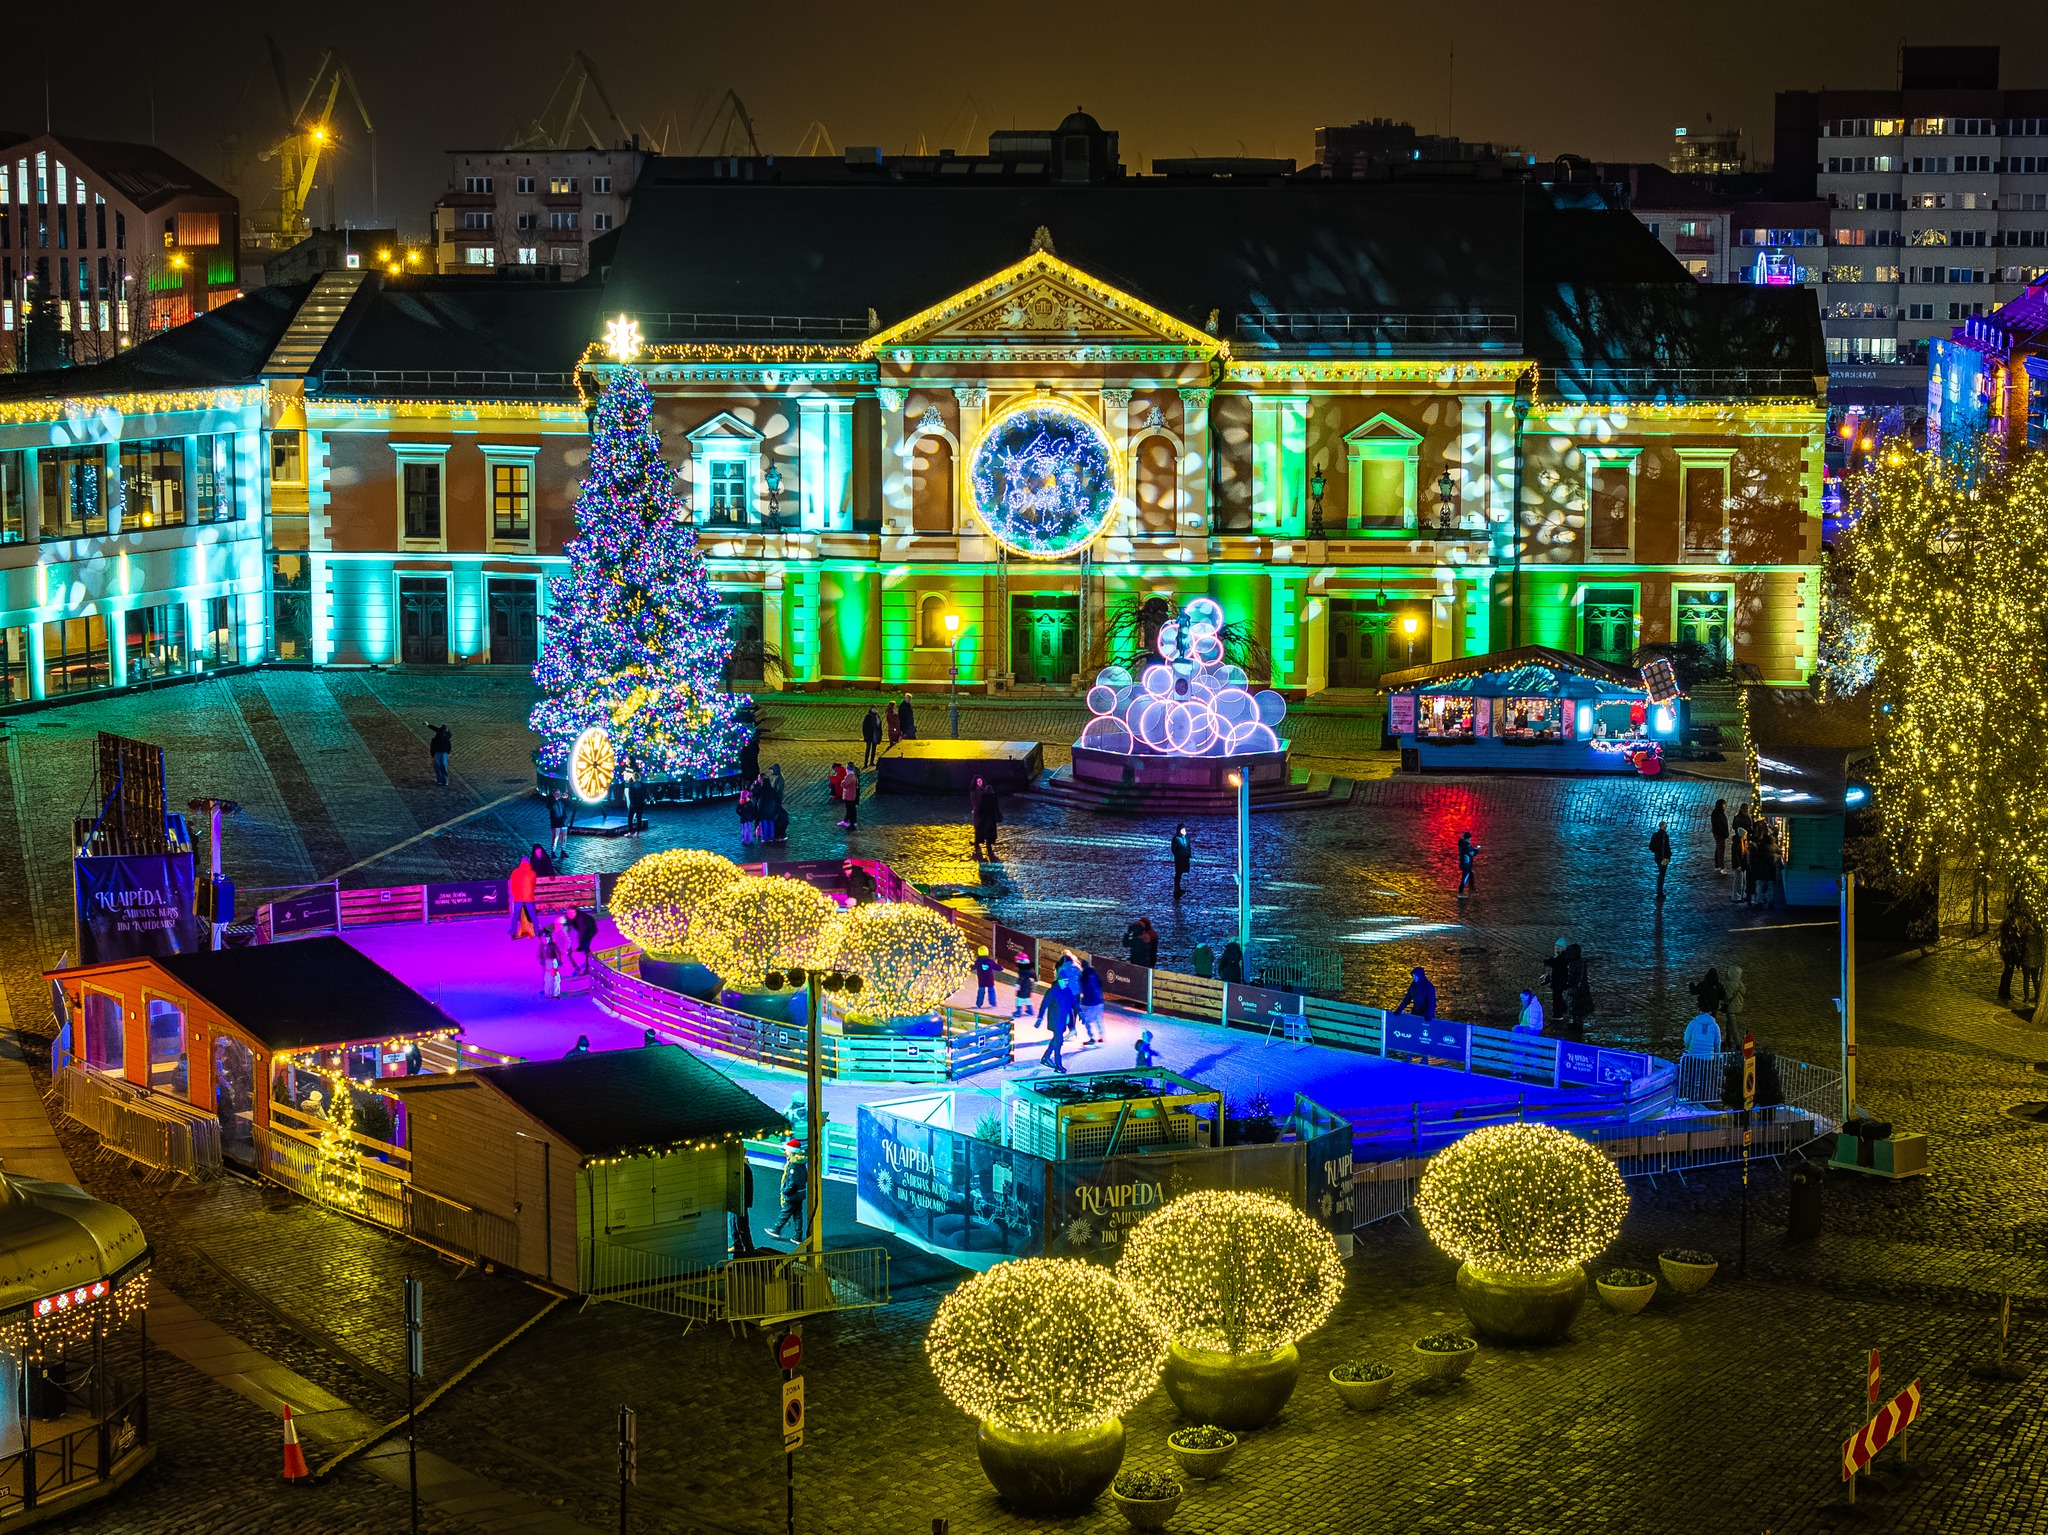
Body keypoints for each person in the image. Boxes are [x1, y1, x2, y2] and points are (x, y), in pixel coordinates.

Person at [769, 1139, 808, 1241]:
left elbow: (792, 1182)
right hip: (800, 1194)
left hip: (793, 1195)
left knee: (785, 1212)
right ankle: (798, 1236)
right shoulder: (801, 1163)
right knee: (798, 1215)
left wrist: (785, 1190)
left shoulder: (793, 1165)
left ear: (791, 1152)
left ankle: (776, 1229)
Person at [1036, 974, 1076, 1072]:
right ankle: (1058, 1065)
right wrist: (1040, 1018)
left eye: (1067, 981)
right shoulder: (1052, 992)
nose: (1066, 983)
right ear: (1059, 981)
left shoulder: (1066, 991)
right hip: (1055, 1020)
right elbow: (1044, 1005)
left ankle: (1046, 1057)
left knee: (1057, 1039)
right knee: (1059, 1042)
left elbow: (1072, 1003)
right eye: (1064, 981)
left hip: (1062, 1020)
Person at [729, 1156, 757, 1258]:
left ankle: (749, 1250)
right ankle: (737, 1245)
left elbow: (744, 1188)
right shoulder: (740, 1167)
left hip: (740, 1202)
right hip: (736, 1201)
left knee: (742, 1226)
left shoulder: (743, 1169)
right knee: (733, 1223)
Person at [507, 854, 539, 938]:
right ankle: (537, 931)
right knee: (532, 914)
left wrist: (515, 895)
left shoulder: (515, 872)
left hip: (519, 897)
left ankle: (513, 930)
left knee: (516, 915)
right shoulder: (533, 873)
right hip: (529, 897)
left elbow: (513, 885)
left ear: (521, 862)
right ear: (528, 862)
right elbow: (533, 885)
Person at [1543, 939, 1574, 1023]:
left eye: (1559, 947)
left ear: (1563, 948)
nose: (1557, 948)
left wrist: (1548, 961)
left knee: (1557, 998)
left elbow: (1555, 963)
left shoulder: (1562, 956)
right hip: (1559, 981)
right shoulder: (1563, 955)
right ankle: (1563, 1009)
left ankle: (1558, 1015)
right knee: (1558, 997)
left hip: (1559, 981)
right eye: (1556, 947)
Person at [2000, 907, 2026, 1002]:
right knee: (2008, 973)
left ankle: (2003, 991)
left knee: (2007, 972)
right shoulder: (2010, 926)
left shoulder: (2007, 925)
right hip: (2009, 952)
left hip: (2006, 951)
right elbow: (2013, 940)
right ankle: (2005, 992)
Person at [1077, 960, 1106, 1046]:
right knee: (1098, 1018)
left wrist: (1083, 1002)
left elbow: (1086, 990)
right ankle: (1101, 1036)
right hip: (1099, 1000)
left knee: (1087, 1020)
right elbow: (1099, 985)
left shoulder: (1084, 977)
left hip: (1090, 1002)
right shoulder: (1095, 974)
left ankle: (1091, 1037)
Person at [1746, 824, 1774, 909]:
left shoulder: (1759, 847)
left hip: (1761, 871)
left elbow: (1754, 859)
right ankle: (1770, 903)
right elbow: (1779, 852)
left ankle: (1758, 903)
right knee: (1770, 887)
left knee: (1759, 887)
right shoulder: (1773, 846)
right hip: (1770, 870)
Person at [973, 784, 1003, 860]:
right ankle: (989, 849)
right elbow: (996, 808)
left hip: (984, 818)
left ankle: (979, 844)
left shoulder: (983, 799)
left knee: (983, 832)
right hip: (991, 819)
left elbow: (980, 809)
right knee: (990, 834)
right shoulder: (994, 798)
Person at [539, 919, 564, 999]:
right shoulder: (541, 946)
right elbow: (539, 954)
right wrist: (541, 960)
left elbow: (557, 953)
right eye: (543, 938)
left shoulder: (552, 945)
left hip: (552, 963)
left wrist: (559, 960)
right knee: (547, 979)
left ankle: (555, 992)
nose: (545, 940)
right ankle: (548, 992)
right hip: (546, 964)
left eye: (546, 938)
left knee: (554, 979)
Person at [2025, 914, 2045, 1008]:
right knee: (2035, 979)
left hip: (2028, 960)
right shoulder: (2039, 937)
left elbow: (2023, 948)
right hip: (2036, 961)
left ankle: (2027, 998)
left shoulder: (2026, 937)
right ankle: (2037, 995)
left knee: (2026, 980)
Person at [1649, 821, 1673, 902]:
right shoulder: (1665, 836)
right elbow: (1667, 848)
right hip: (1665, 858)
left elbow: (1651, 847)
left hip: (1657, 858)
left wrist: (1656, 852)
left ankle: (1659, 890)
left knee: (1661, 872)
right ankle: (1660, 891)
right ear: (1663, 827)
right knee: (1662, 874)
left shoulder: (1654, 835)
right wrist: (1669, 856)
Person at [1011, 949, 1036, 1018]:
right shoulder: (1030, 968)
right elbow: (1034, 974)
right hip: (1028, 985)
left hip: (1023, 986)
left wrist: (1018, 984)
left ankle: (1018, 1012)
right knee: (1027, 998)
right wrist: (1036, 980)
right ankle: (1030, 1010)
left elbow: (1021, 978)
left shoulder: (1022, 969)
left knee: (1018, 999)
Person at [427, 721, 452, 786]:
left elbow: (432, 746)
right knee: (441, 765)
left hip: (441, 752)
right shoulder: (446, 736)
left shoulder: (443, 737)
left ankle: (442, 780)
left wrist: (428, 725)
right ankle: (442, 780)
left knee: (440, 765)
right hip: (440, 752)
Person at [1171, 824, 1192, 900]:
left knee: (1181, 872)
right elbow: (1174, 849)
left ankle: (1178, 888)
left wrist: (1189, 854)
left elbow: (1188, 847)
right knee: (1178, 873)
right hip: (1179, 859)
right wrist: (1178, 856)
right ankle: (1176, 888)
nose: (1184, 831)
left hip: (1185, 858)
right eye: (1182, 830)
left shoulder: (1186, 838)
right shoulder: (1176, 839)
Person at [1457, 830, 1481, 896]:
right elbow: (1471, 853)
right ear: (1467, 838)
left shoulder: (1462, 844)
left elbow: (1469, 851)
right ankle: (1460, 892)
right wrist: (1476, 850)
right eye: (1469, 839)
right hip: (1466, 864)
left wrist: (1474, 849)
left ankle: (1472, 890)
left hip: (1464, 863)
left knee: (1471, 876)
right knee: (1465, 878)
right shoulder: (1466, 845)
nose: (1470, 840)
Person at [547, 791, 571, 858]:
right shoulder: (551, 800)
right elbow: (549, 806)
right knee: (555, 837)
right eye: (556, 794)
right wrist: (555, 800)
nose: (558, 795)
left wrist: (566, 798)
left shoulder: (562, 800)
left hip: (563, 821)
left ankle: (563, 851)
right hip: (555, 821)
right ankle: (553, 852)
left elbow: (569, 805)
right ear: (553, 794)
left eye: (559, 793)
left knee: (563, 837)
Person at [1710, 799, 1730, 874]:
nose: (1725, 806)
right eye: (1724, 805)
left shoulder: (1719, 812)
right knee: (1721, 850)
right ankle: (1722, 867)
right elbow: (1718, 825)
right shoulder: (1716, 813)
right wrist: (1723, 833)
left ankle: (1717, 865)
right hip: (1719, 834)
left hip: (1721, 834)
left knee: (1718, 849)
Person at [840, 762, 861, 828]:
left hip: (849, 795)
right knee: (852, 808)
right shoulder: (855, 776)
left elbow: (844, 784)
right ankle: (849, 821)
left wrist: (843, 781)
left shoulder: (850, 776)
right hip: (854, 794)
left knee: (850, 809)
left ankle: (851, 823)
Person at [737, 778, 758, 847]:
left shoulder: (741, 803)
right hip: (748, 819)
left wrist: (741, 814)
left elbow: (737, 810)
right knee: (748, 829)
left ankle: (744, 840)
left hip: (744, 819)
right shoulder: (749, 803)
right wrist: (753, 817)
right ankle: (748, 840)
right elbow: (752, 811)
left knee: (744, 829)